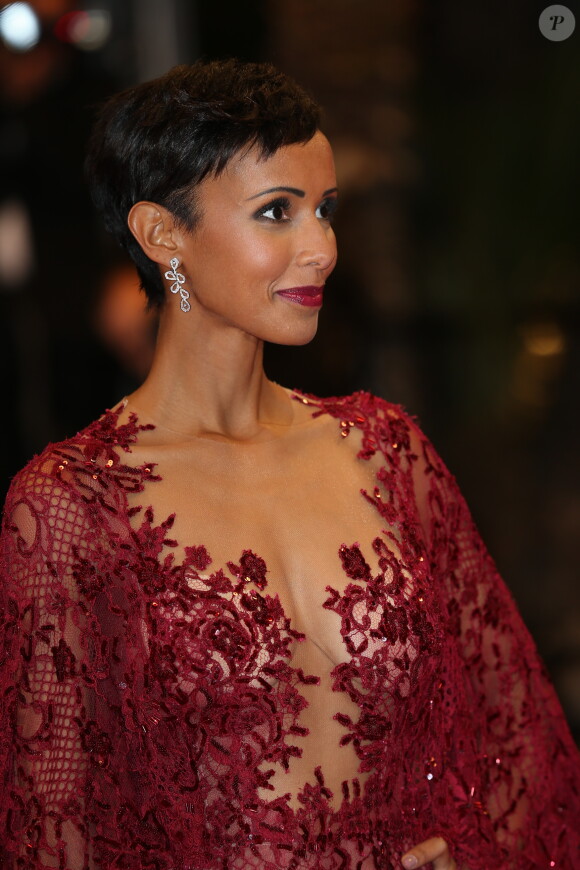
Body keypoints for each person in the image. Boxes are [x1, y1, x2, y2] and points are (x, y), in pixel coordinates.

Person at [0, 59, 578, 870]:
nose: (321, 249)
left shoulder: (383, 451)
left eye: (325, 210)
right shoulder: (73, 502)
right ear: (163, 233)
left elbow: (517, 738)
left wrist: (471, 852)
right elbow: (51, 829)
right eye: (277, 212)